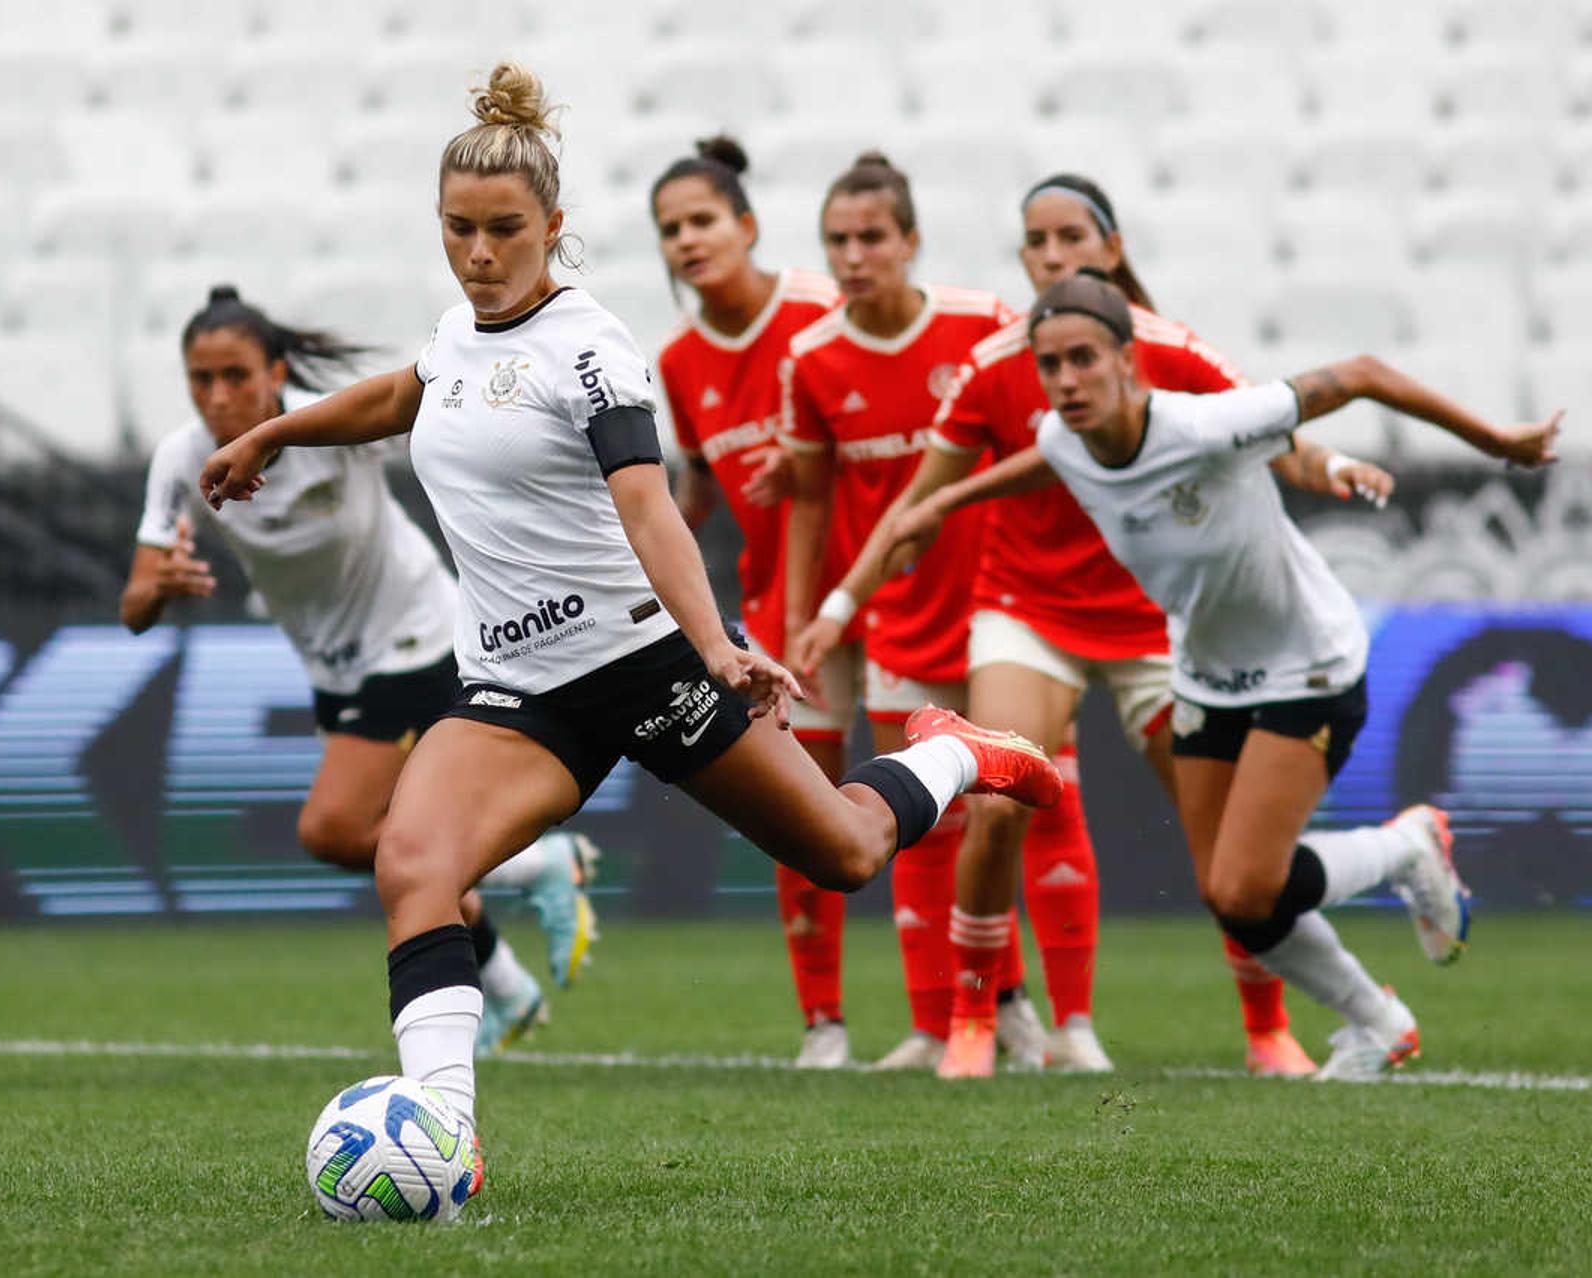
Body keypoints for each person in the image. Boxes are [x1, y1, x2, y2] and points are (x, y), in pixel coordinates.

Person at [197, 63, 1063, 1171]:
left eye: (503, 229)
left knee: (846, 851)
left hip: (648, 662)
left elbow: (649, 508)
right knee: (414, 864)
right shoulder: (458, 335)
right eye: (457, 228)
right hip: (518, 691)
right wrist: (275, 435)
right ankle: (445, 1136)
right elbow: (407, 391)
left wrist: (717, 649)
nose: (477, 251)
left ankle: (954, 754)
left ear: (552, 226)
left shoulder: (593, 349)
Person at [887, 271, 1560, 1079]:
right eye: (1051, 364)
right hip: (1205, 675)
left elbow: (1364, 374)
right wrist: (941, 504)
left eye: (1084, 359)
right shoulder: (1066, 439)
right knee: (1228, 892)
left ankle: (1407, 850)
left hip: (1305, 668)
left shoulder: (1210, 424)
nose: (1067, 380)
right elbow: (1042, 463)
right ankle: (1379, 1022)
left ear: (1129, 361)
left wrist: (1499, 442)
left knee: (1248, 889)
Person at [794, 175, 1395, 1079]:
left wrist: (1335, 462)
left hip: (1158, 621)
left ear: (1111, 250)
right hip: (1025, 610)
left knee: (1222, 848)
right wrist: (836, 610)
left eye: (1071, 236)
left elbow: (1280, 432)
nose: (1053, 255)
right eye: (1035, 242)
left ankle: (1268, 1029)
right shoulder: (1000, 363)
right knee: (997, 798)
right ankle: (971, 1021)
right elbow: (924, 503)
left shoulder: (1172, 355)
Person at [121, 285, 599, 1055]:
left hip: (419, 639)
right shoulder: (181, 460)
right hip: (336, 669)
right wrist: (159, 585)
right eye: (201, 381)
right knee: (391, 846)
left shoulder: (328, 429)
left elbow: (437, 422)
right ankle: (509, 984)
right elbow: (134, 605)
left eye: (236, 375)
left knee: (335, 827)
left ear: (277, 373)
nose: (220, 397)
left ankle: (537, 865)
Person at [773, 151, 1027, 1072]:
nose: (853, 255)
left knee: (1019, 807)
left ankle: (1035, 1014)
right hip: (897, 616)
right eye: (836, 240)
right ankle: (934, 1025)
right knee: (921, 817)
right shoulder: (811, 357)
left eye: (871, 237)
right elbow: (811, 498)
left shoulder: (983, 329)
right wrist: (811, 616)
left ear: (910, 241)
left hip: (1001, 605)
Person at [650, 135, 861, 1069]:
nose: (687, 241)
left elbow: (888, 427)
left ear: (746, 226)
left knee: (945, 801)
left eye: (702, 221)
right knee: (801, 811)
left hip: (881, 595)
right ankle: (824, 1024)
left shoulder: (821, 310)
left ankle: (988, 1003)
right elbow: (691, 500)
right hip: (780, 606)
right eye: (669, 230)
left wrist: (818, 455)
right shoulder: (677, 358)